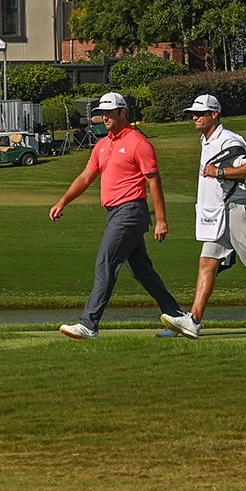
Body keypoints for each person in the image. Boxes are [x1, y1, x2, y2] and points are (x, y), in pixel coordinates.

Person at [49, 92, 189, 338]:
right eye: (102, 113)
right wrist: (63, 201)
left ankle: (89, 324)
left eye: (110, 113)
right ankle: (178, 317)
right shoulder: (102, 145)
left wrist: (161, 219)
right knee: (141, 270)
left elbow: (154, 182)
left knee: (106, 261)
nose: (105, 117)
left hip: (131, 211)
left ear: (123, 113)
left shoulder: (139, 143)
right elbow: (85, 177)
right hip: (114, 213)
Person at [161, 94, 246, 339]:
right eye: (192, 113)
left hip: (240, 210)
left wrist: (220, 172)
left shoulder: (229, 139)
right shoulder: (207, 140)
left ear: (214, 114)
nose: (194, 117)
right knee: (207, 262)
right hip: (219, 213)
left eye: (200, 113)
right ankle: (193, 320)